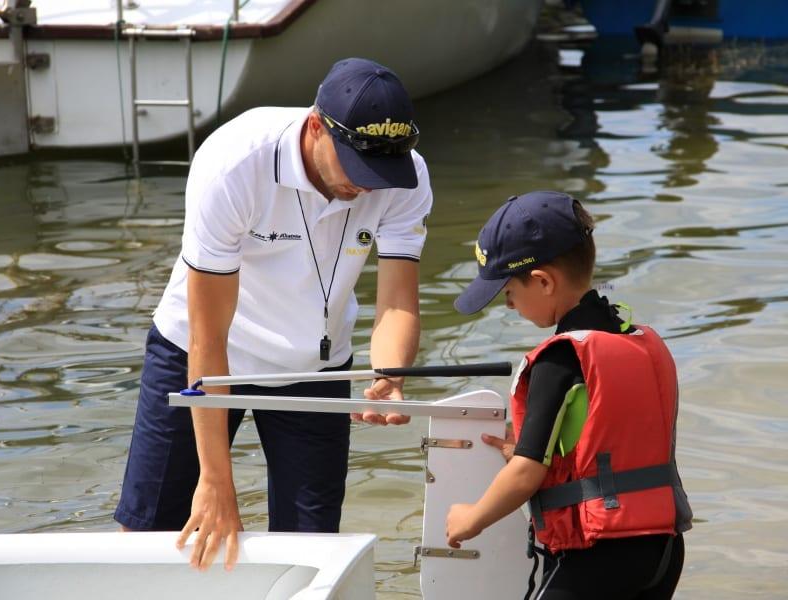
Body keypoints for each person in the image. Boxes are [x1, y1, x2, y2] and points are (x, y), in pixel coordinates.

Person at [114, 57, 432, 571]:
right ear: (316, 127)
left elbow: (397, 301)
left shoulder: (406, 177)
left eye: (381, 174)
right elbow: (207, 338)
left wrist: (389, 374)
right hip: (203, 352)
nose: (368, 188)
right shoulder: (234, 164)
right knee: (150, 535)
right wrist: (215, 479)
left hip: (314, 364)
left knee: (312, 551)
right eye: (357, 169)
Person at [445, 191, 692, 599]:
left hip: (597, 555)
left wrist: (471, 519)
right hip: (663, 551)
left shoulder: (559, 358)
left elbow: (526, 474)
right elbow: (609, 441)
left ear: (543, 281)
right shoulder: (637, 340)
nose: (509, 305)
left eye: (508, 292)